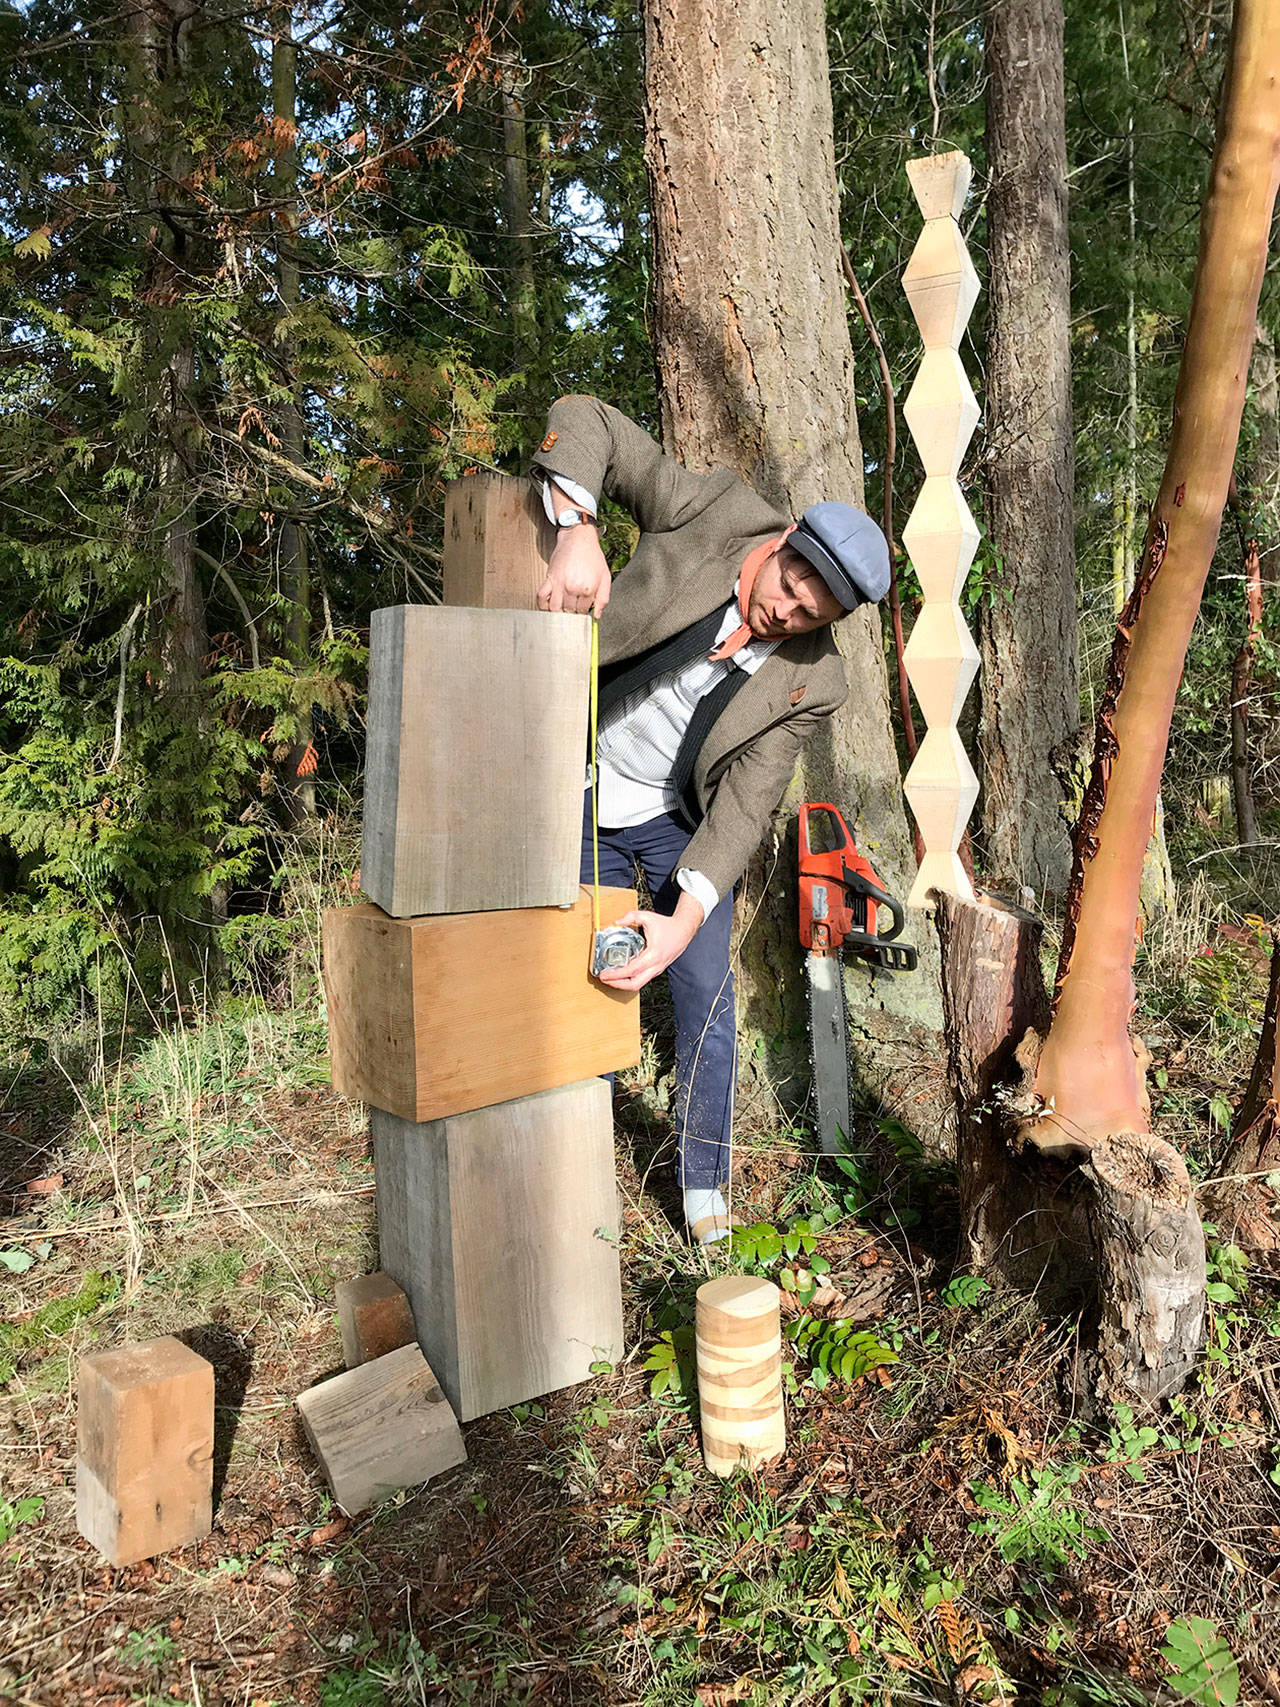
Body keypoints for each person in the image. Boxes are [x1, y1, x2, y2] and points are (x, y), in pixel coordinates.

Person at [531, 396, 890, 1245]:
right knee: (581, 976)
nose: (785, 612)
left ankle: (703, 1187)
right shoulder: (715, 509)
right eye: (789, 584)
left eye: (810, 615)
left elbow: (746, 802)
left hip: (677, 819)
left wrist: (683, 919)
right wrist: (578, 529)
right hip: (580, 783)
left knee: (704, 990)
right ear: (785, 542)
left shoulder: (818, 680)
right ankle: (572, 1172)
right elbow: (586, 421)